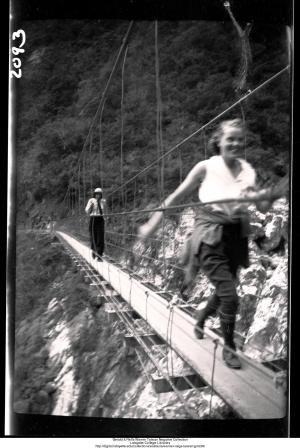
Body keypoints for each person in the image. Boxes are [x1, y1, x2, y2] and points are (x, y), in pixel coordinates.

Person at [138, 118, 286, 369]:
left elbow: (257, 204)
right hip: (209, 236)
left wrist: (270, 196)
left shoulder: (247, 171)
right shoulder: (205, 167)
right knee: (231, 297)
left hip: (235, 238)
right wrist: (152, 224)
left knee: (224, 290)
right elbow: (176, 196)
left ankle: (202, 316)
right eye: (231, 138)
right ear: (219, 141)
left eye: (240, 139)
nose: (236, 143)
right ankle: (229, 347)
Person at [85, 187, 107, 260]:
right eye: (96, 194)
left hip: (100, 219)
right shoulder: (91, 200)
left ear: (101, 195)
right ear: (94, 194)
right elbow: (87, 211)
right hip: (93, 219)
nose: (98, 196)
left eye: (99, 194)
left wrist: (106, 218)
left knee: (100, 237)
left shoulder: (103, 201)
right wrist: (91, 207)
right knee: (93, 236)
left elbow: (106, 211)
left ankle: (99, 255)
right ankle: (94, 251)